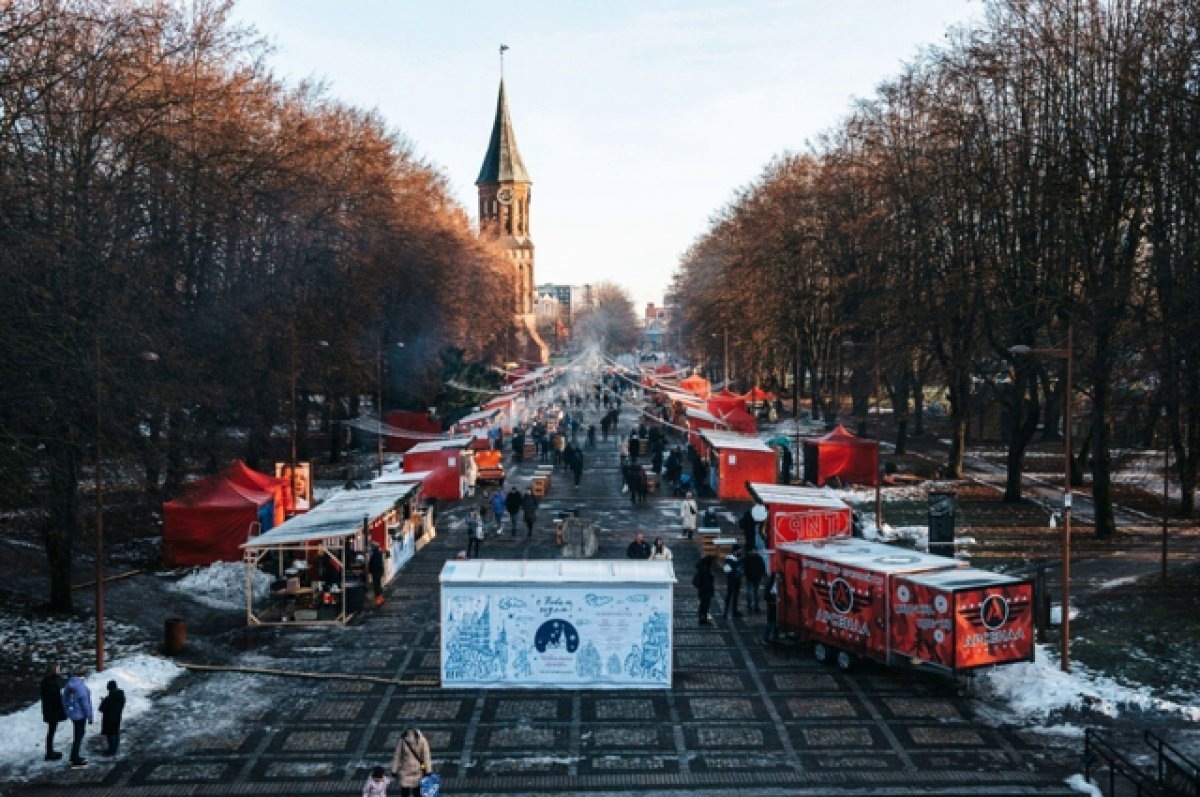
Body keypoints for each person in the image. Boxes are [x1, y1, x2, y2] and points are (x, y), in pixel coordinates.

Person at [61, 669, 93, 767]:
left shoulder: (69, 685)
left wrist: (68, 710)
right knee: (79, 735)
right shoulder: (80, 687)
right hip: (80, 715)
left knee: (78, 734)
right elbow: (85, 704)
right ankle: (75, 757)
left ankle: (74, 756)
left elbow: (64, 699)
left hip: (73, 714)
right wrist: (90, 716)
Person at [390, 727, 432, 797]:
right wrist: (394, 771)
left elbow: (426, 756)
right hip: (405, 771)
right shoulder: (402, 741)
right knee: (405, 793)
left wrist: (428, 771)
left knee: (417, 793)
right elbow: (397, 756)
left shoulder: (422, 740)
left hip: (418, 771)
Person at [40, 663, 66, 761]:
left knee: (51, 731)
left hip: (51, 710)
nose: (59, 671)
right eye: (58, 669)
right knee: (51, 731)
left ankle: (50, 751)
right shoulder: (49, 683)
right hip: (52, 711)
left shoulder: (49, 681)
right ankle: (49, 753)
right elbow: (53, 697)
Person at [98, 679, 125, 756]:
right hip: (117, 717)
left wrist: (103, 701)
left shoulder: (109, 698)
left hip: (109, 719)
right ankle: (115, 748)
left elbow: (101, 708)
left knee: (110, 735)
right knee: (115, 732)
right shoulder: (121, 696)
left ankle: (111, 750)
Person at [721, 545, 744, 619]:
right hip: (732, 579)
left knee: (735, 595)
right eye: (740, 549)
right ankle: (726, 611)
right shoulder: (730, 557)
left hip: (737, 578)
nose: (741, 551)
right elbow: (727, 569)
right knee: (730, 595)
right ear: (736, 550)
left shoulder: (738, 557)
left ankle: (734, 610)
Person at [692, 556, 716, 626]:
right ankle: (703, 619)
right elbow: (707, 582)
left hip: (703, 591)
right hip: (705, 591)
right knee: (705, 606)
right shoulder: (705, 570)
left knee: (703, 605)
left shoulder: (703, 569)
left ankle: (702, 619)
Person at [744, 548, 766, 615]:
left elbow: (762, 567)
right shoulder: (749, 559)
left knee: (756, 594)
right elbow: (745, 568)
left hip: (756, 578)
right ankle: (751, 607)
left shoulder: (758, 558)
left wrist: (761, 575)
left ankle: (755, 607)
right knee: (751, 593)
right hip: (751, 578)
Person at [761, 572, 780, 645]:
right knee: (770, 623)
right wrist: (774, 600)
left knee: (777, 624)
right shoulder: (769, 585)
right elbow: (766, 597)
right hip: (772, 606)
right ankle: (765, 638)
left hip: (777, 607)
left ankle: (775, 639)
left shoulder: (779, 585)